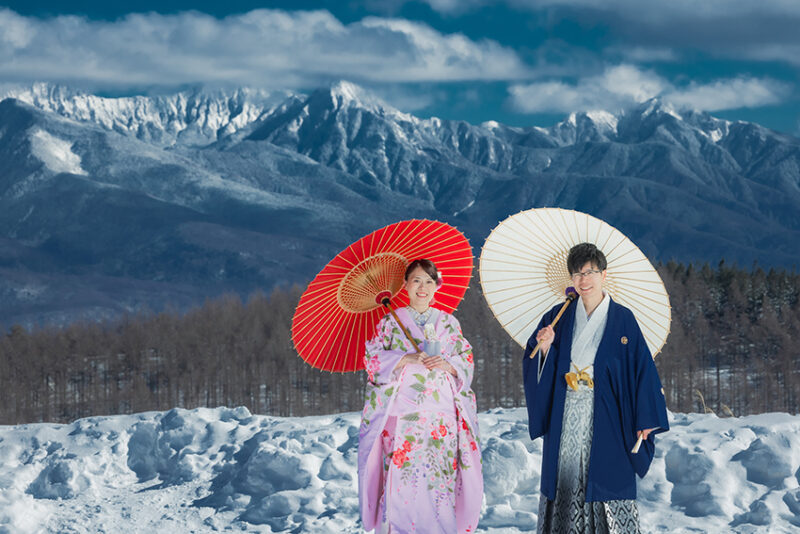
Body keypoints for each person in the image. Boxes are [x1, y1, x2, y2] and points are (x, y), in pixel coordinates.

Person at [523, 243, 669, 533]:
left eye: (590, 272)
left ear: (604, 274)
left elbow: (643, 370)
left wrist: (645, 418)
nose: (583, 280)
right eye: (577, 274)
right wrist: (545, 348)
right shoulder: (558, 316)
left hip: (609, 413)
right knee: (566, 478)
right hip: (566, 414)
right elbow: (534, 358)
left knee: (608, 478)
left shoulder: (623, 319)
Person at [358, 259, 483, 534]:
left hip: (442, 418)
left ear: (438, 285)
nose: (422, 287)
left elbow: (467, 360)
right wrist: (405, 358)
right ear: (405, 285)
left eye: (429, 281)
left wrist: (448, 364)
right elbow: (372, 360)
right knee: (402, 483)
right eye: (416, 280)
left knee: (439, 483)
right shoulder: (390, 323)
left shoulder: (449, 323)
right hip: (403, 418)